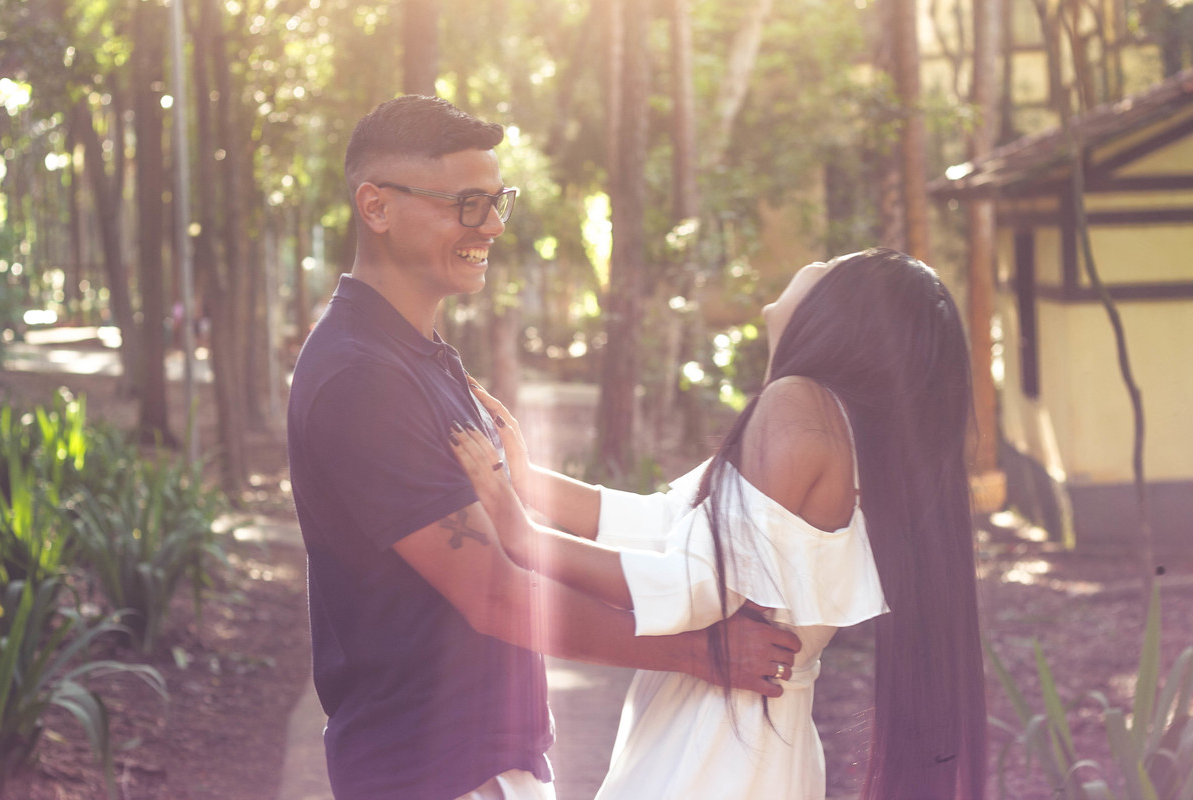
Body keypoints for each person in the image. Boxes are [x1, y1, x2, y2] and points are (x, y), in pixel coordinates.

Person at [285, 94, 801, 800]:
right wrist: (698, 652)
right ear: (376, 207)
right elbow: (493, 592)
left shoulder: (418, 355)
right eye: (467, 204)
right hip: (430, 770)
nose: (492, 225)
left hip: (485, 760)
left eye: (498, 201)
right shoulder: (360, 375)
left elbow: (501, 532)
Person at [450, 248, 987, 800]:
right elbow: (674, 523)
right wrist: (527, 482)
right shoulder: (838, 427)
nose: (815, 266)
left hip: (717, 745)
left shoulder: (800, 406)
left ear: (843, 313)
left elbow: (697, 586)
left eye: (831, 268)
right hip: (755, 742)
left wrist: (524, 536)